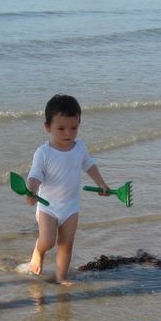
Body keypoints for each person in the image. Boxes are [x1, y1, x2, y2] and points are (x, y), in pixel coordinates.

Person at [21, 94, 111, 285]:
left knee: (66, 244)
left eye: (73, 128)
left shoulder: (80, 147)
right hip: (48, 207)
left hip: (71, 207)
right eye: (61, 128)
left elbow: (90, 165)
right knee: (47, 241)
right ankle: (38, 251)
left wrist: (101, 183)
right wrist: (32, 191)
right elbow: (35, 175)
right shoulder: (44, 152)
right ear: (48, 127)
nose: (68, 133)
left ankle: (61, 276)